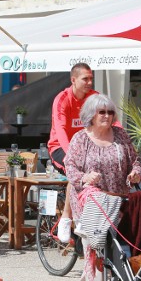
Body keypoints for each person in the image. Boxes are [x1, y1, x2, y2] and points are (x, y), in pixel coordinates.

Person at [65, 94, 141, 281]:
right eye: (102, 112)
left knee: (105, 248)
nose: (107, 116)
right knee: (94, 247)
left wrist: (135, 173)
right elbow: (70, 167)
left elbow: (134, 160)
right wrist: (85, 177)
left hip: (117, 199)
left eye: (110, 112)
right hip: (90, 200)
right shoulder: (81, 139)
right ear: (91, 115)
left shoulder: (120, 135)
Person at [47, 62, 98, 242]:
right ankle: (67, 218)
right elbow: (60, 129)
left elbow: (111, 120)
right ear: (73, 80)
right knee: (74, 172)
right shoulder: (62, 99)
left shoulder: (94, 98)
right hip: (60, 147)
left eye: (91, 78)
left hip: (86, 148)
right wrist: (71, 155)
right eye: (85, 79)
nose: (89, 82)